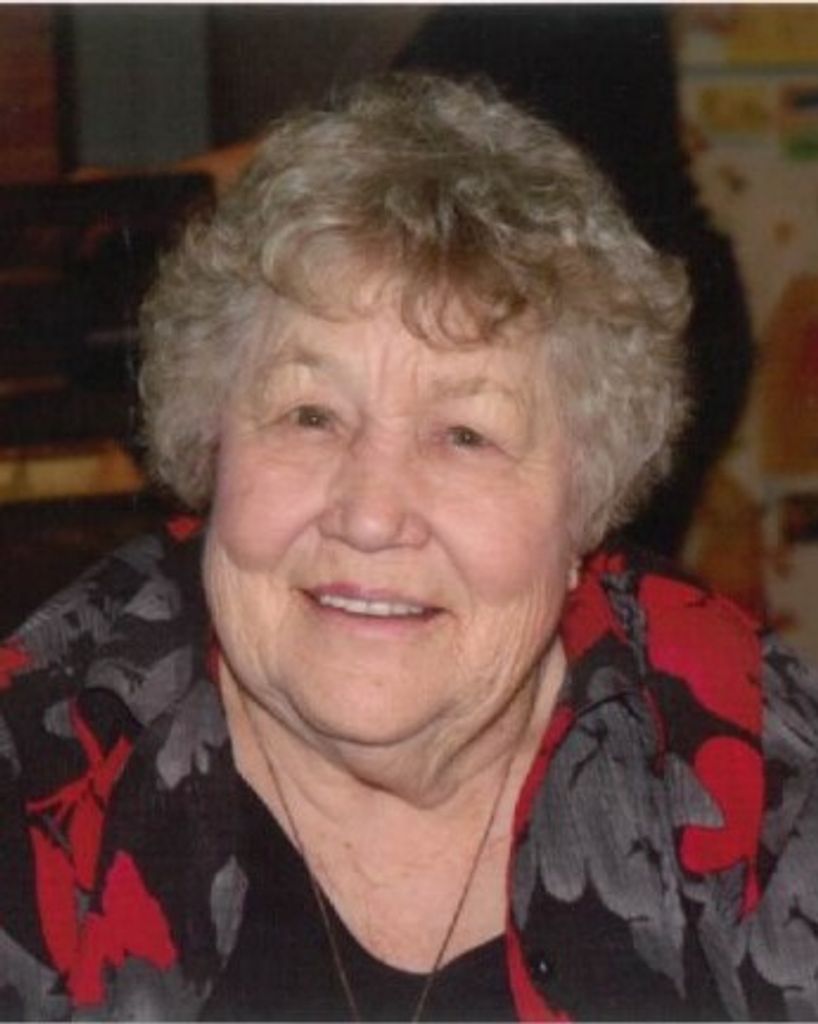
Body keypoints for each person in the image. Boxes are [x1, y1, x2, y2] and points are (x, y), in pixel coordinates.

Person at [0, 73, 815, 1022]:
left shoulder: (760, 782)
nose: (371, 514)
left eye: (465, 435)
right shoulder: (37, 776)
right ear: (209, 445)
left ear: (586, 505)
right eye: (311, 415)